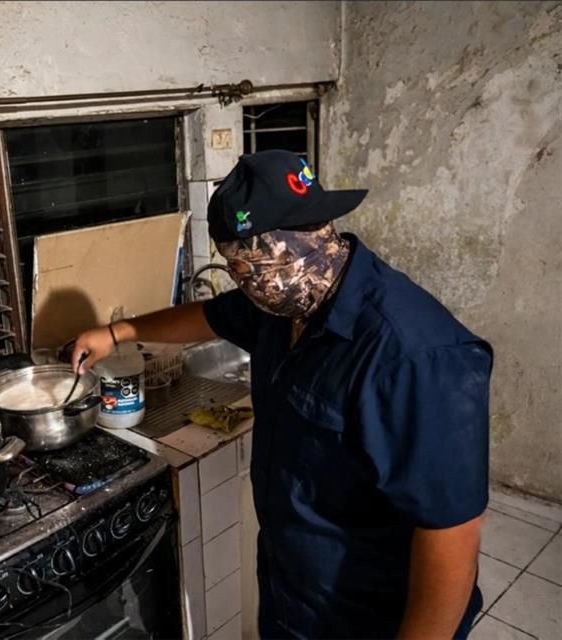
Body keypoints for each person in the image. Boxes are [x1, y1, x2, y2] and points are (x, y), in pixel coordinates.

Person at [71, 150, 492, 639]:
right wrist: (117, 332)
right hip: (291, 596)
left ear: (305, 238)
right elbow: (208, 316)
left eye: (247, 266)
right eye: (233, 268)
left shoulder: (415, 355)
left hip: (368, 618)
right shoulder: (281, 303)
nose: (242, 281)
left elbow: (451, 534)